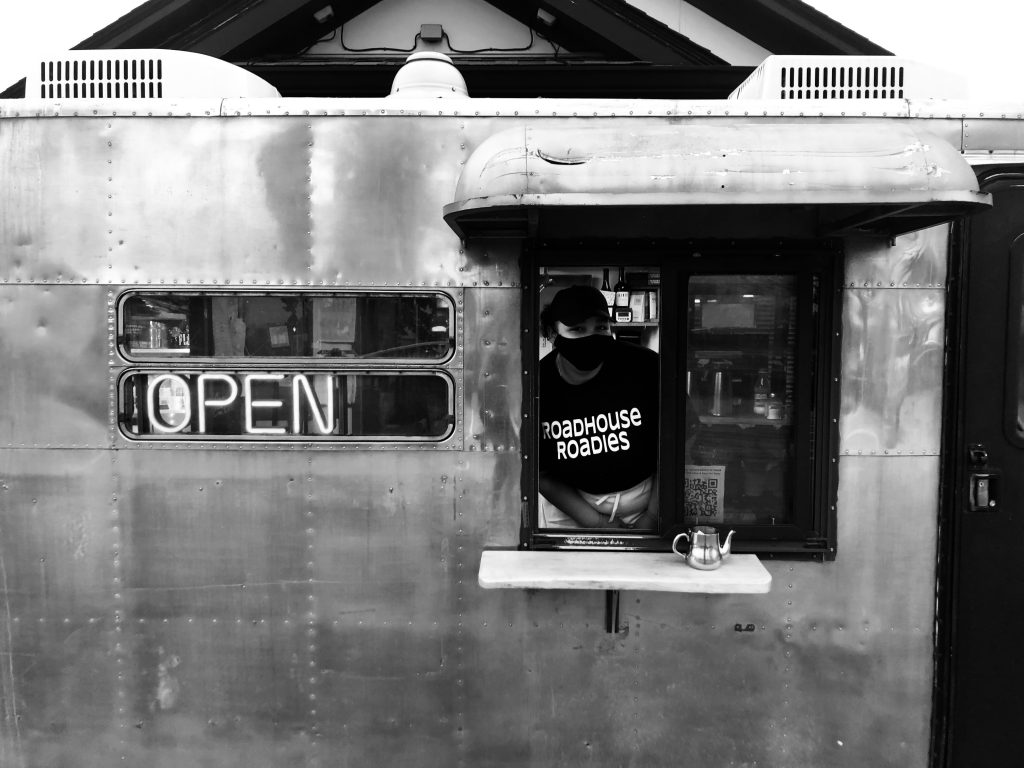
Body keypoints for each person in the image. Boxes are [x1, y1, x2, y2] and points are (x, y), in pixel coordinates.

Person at [537, 284, 660, 530]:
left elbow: (677, 448)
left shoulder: (646, 366)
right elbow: (541, 473)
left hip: (649, 504)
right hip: (570, 508)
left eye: (601, 327)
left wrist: (653, 517)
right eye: (577, 329)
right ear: (553, 333)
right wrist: (595, 523)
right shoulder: (538, 382)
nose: (590, 337)